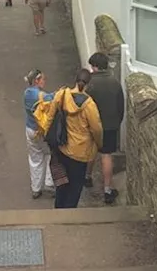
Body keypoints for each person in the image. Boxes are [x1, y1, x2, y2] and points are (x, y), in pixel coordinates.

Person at [46, 68, 103, 209]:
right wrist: (99, 144)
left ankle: (58, 209)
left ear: (75, 80)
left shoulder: (62, 95)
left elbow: (50, 116)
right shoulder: (89, 105)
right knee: (75, 186)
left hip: (62, 147)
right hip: (80, 152)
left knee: (62, 182)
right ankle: (70, 214)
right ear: (88, 84)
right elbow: (96, 129)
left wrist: (48, 135)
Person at [84, 52, 125, 204]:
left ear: (94, 66)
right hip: (110, 125)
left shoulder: (90, 84)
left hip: (93, 125)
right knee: (107, 155)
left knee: (91, 151)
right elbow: (121, 105)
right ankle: (108, 189)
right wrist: (117, 122)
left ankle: (87, 177)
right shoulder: (114, 82)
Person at [23, 69, 55, 198]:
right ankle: (49, 183)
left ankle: (36, 188)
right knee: (50, 154)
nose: (44, 81)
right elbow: (53, 99)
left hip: (30, 130)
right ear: (37, 80)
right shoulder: (43, 96)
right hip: (42, 131)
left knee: (35, 159)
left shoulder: (26, 94)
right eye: (43, 79)